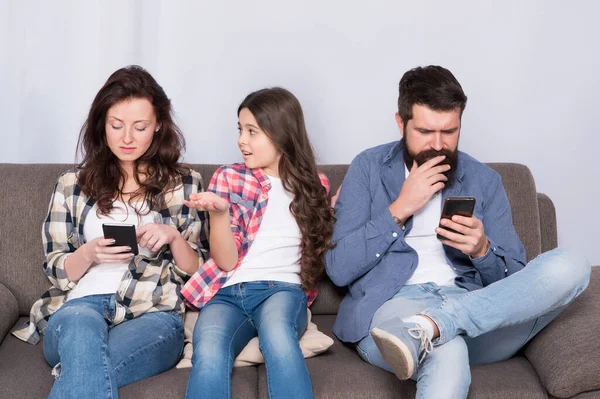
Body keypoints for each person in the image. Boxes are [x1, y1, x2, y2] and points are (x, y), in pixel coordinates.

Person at [325, 65, 590, 398]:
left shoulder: (485, 180)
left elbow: (518, 288)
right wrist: (400, 208)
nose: (438, 145)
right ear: (400, 122)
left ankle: (436, 324)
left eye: (449, 131)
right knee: (445, 350)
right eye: (425, 131)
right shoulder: (367, 168)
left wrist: (482, 251)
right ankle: (429, 329)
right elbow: (337, 268)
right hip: (396, 312)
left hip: (476, 310)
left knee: (572, 264)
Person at [11, 65, 209, 398]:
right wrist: (88, 253)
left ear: (159, 125)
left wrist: (173, 237)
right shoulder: (71, 185)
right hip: (78, 309)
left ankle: (74, 373)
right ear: (102, 125)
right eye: (116, 126)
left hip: (152, 314)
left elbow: (198, 270)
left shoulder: (184, 184)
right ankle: (79, 368)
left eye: (140, 127)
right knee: (81, 330)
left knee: (84, 368)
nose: (127, 138)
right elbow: (56, 268)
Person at [182, 87, 334, 399]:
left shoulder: (315, 185)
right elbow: (226, 262)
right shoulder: (228, 177)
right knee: (207, 348)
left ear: (282, 134)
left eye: (252, 131)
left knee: (278, 336)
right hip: (227, 293)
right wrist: (220, 213)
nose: (241, 140)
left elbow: (318, 247)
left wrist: (333, 213)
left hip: (282, 289)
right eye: (240, 130)